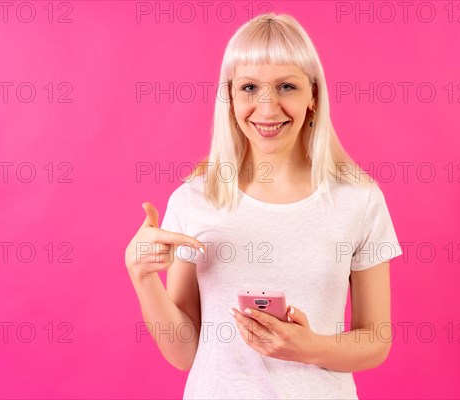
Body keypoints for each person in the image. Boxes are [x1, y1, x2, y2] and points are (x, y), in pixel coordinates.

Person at [125, 12, 403, 399]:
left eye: (287, 86)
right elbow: (184, 353)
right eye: (250, 87)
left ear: (313, 96)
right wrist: (142, 279)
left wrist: (308, 348)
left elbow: (376, 341)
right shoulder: (194, 199)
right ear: (230, 98)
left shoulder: (358, 199)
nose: (267, 108)